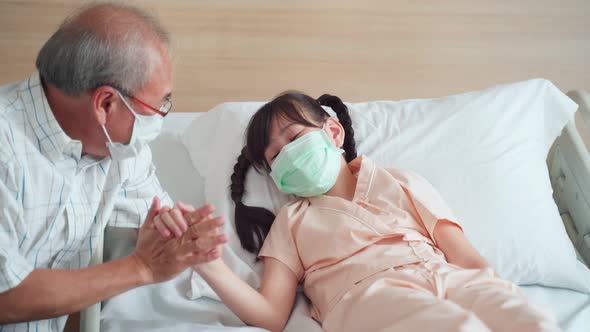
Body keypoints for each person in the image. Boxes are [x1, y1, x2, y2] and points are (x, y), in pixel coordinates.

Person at [157, 91, 560, 331]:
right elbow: (271, 314)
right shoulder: (292, 222)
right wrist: (209, 265)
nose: (289, 156)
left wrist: (493, 290)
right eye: (277, 156)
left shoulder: (401, 180)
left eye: (295, 138)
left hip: (444, 275)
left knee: (532, 322)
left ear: (333, 133)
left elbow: (465, 256)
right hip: (368, 297)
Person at [0, 3, 227, 331]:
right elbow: (6, 294)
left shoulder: (119, 149)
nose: (160, 117)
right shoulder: (7, 148)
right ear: (106, 104)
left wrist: (181, 235)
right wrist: (142, 267)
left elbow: (161, 220)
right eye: (160, 104)